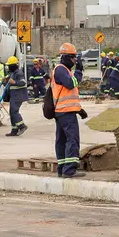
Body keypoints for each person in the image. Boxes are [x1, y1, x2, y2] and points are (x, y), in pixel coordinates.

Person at [51, 42, 88, 178]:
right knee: (72, 139)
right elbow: (71, 84)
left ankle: (62, 168)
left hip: (63, 111)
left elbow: (67, 93)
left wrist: (78, 109)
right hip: (65, 112)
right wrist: (78, 71)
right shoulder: (61, 69)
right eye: (73, 57)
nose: (74, 60)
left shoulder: (62, 70)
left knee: (62, 140)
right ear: (66, 57)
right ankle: (70, 169)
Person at [4, 55, 29, 136]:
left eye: (9, 66)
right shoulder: (12, 73)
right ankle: (14, 129)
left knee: (14, 111)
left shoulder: (19, 73)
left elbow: (23, 82)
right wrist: (5, 81)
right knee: (12, 112)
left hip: (18, 95)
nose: (8, 67)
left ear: (14, 65)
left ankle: (22, 126)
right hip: (14, 95)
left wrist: (14, 82)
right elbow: (9, 82)